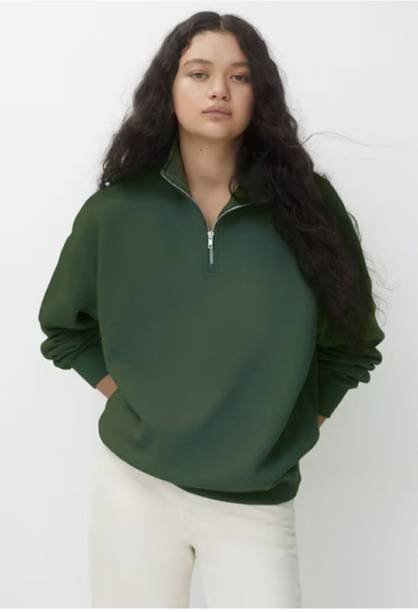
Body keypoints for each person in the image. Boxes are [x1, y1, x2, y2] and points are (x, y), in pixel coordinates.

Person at [37, 11, 385, 609]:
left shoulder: (309, 209)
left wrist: (292, 431)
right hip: (135, 488)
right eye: (199, 73)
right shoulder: (115, 213)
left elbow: (353, 345)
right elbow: (64, 328)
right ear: (168, 90)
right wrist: (130, 401)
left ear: (259, 94)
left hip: (254, 501)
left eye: (239, 76)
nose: (219, 89)